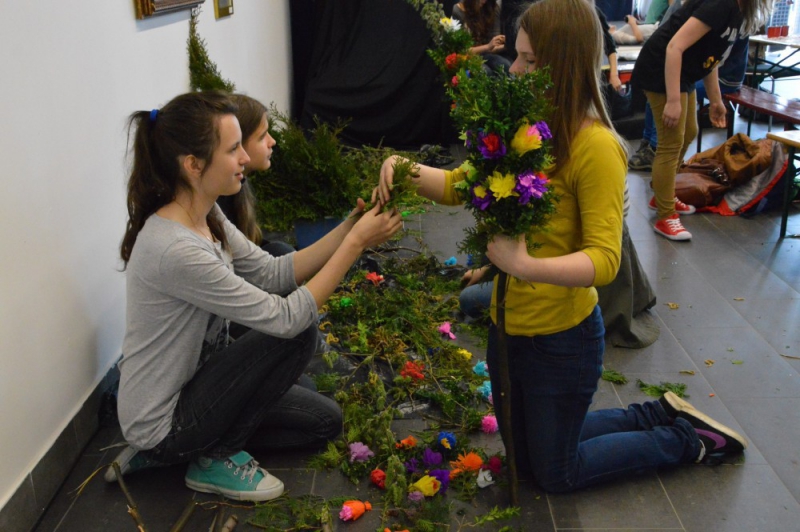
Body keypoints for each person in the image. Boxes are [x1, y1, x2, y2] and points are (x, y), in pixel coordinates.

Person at [376, 0, 747, 493]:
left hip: (562, 343)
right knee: (527, 458)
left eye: (528, 61)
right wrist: (402, 167)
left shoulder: (596, 148)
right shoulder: (524, 130)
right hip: (509, 330)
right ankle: (652, 413)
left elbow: (604, 260)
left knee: (556, 472)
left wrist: (523, 264)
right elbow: (459, 184)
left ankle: (686, 438)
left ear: (562, 66)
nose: (514, 70)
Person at [107, 91, 403, 502]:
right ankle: (206, 457)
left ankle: (189, 451)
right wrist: (355, 244)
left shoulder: (205, 214)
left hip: (197, 384)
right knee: (298, 332)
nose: (244, 157)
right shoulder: (176, 249)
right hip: (166, 421)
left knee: (323, 422)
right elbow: (285, 319)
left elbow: (273, 271)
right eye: (232, 149)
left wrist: (351, 224)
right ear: (193, 165)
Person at [631, 0, 768, 240]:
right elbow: (674, 47)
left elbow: (711, 58)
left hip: (684, 69)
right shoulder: (719, 5)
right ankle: (665, 215)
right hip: (660, 65)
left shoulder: (738, 10)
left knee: (690, 131)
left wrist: (716, 101)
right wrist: (673, 100)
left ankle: (663, 195)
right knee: (671, 142)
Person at [628, 36, 749, 172]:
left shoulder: (731, 23)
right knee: (656, 93)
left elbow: (711, 60)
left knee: (666, 93)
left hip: (725, 78)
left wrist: (714, 99)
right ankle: (648, 142)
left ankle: (655, 147)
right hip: (707, 71)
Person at [216, 95, 295, 258]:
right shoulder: (217, 201)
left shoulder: (239, 187)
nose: (272, 141)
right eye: (262, 136)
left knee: (280, 252)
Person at [452, 0, 512, 75]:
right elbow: (462, 50)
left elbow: (492, 47)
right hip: (467, 56)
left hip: (486, 53)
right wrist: (487, 46)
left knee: (505, 65)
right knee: (485, 71)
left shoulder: (491, 7)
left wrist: (507, 45)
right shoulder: (458, 11)